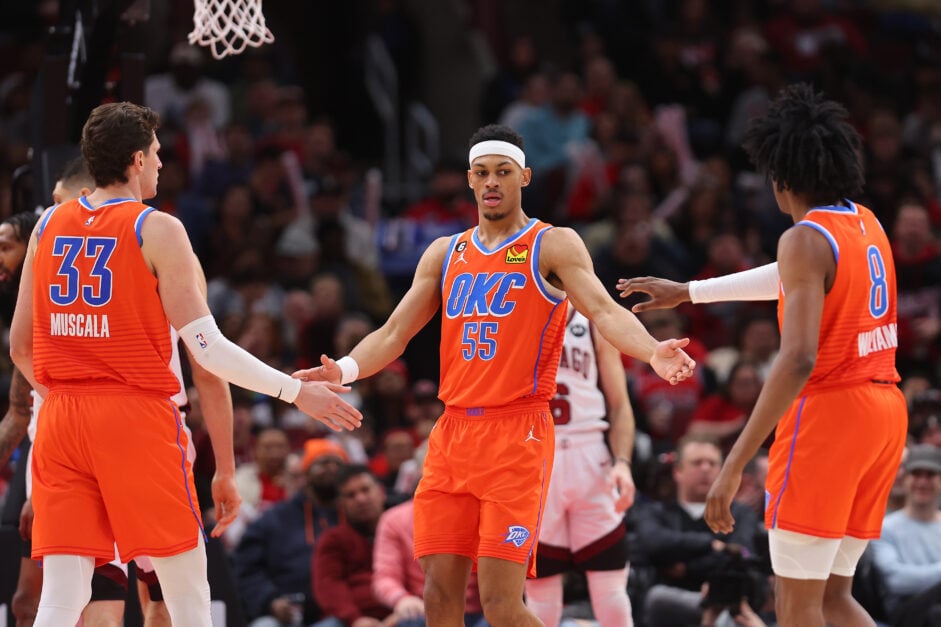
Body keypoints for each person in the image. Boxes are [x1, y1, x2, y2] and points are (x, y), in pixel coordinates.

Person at [294, 123, 696, 627]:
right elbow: (395, 331)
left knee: (502, 606)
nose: (492, 182)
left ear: (523, 176)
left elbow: (604, 311)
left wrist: (653, 351)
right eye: (482, 173)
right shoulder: (445, 253)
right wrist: (346, 367)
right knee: (439, 597)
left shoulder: (552, 244)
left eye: (503, 172)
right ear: (469, 179)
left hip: (518, 434)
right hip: (452, 434)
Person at [8, 102, 362, 627]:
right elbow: (208, 349)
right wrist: (293, 391)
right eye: (154, 155)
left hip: (60, 419)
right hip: (134, 419)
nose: (160, 165)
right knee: (189, 594)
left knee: (62, 595)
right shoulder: (158, 229)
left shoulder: (47, 226)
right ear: (134, 160)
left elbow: (20, 346)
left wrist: (72, 389)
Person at [621, 83, 907, 626]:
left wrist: (733, 464)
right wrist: (690, 291)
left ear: (779, 180)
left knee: (797, 607)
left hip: (830, 415)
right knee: (833, 599)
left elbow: (797, 358)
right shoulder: (865, 223)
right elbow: (792, 279)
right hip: (883, 414)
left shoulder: (802, 238)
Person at [523, 303, 636, 627]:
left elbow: (620, 406)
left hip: (591, 455)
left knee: (612, 592)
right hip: (534, 456)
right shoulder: (512, 316)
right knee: (540, 598)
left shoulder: (593, 321)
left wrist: (623, 463)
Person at [635, 434, 760, 627]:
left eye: (712, 463)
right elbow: (652, 543)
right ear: (678, 471)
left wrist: (686, 567)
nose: (705, 469)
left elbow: (741, 554)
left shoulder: (741, 513)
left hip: (728, 603)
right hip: (671, 605)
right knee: (657, 597)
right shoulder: (655, 512)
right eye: (697, 463)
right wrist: (711, 544)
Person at [232, 438, 348, 627]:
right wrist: (270, 600)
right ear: (306, 472)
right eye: (322, 463)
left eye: (337, 463)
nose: (331, 469)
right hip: (283, 614)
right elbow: (246, 567)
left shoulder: (358, 516)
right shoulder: (274, 518)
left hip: (341, 613)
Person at [312, 465, 393, 627]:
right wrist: (355, 619)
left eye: (365, 490)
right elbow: (328, 585)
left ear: (381, 492)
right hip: (349, 620)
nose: (361, 499)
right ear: (341, 504)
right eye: (351, 495)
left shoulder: (404, 529)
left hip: (404, 612)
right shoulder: (333, 539)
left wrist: (401, 610)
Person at [870, 443, 941, 623]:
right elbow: (895, 580)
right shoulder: (885, 527)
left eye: (931, 474)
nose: (922, 481)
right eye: (916, 474)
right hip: (904, 614)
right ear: (906, 478)